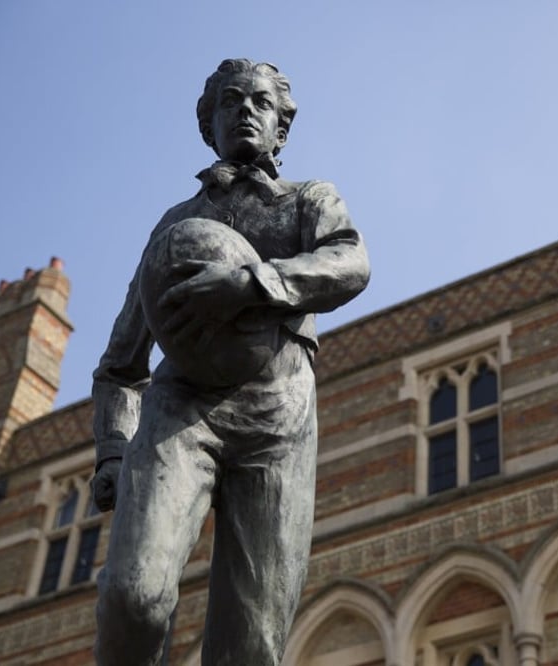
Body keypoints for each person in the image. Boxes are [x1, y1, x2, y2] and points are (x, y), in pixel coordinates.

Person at [90, 58, 369, 666]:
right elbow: (120, 366)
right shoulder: (176, 224)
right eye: (230, 101)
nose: (245, 110)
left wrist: (249, 284)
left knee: (251, 649)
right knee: (134, 596)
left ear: (281, 128)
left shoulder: (307, 200)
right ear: (209, 124)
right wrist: (112, 448)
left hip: (277, 416)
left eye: (260, 102)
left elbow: (350, 262)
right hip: (181, 408)